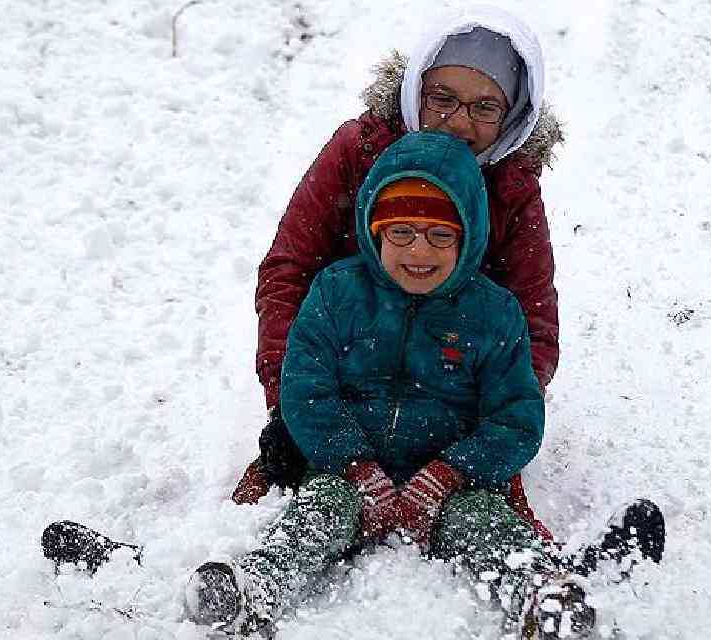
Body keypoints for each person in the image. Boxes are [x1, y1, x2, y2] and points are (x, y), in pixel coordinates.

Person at [185, 131, 592, 638]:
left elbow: (516, 417)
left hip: (451, 484)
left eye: (441, 235)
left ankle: (539, 593)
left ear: (469, 237)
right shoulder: (336, 293)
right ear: (374, 230)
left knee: (486, 522)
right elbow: (306, 390)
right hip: (348, 473)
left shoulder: (494, 314)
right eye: (401, 231)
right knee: (318, 513)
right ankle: (256, 588)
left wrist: (449, 474)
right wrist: (356, 467)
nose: (418, 250)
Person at [231, 7, 564, 545]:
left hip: (452, 382)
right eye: (443, 99)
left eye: (485, 107)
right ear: (416, 90)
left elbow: (533, 322)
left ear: (513, 114)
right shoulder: (361, 150)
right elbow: (288, 270)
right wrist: (289, 399)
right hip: (351, 365)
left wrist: (486, 431)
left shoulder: (512, 185)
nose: (459, 121)